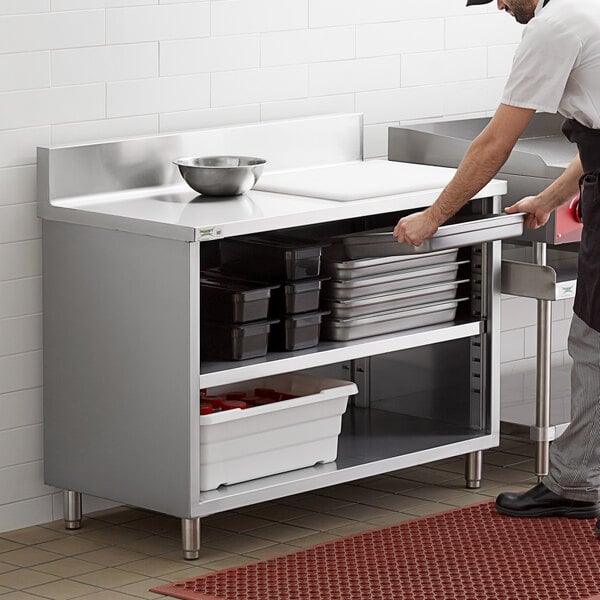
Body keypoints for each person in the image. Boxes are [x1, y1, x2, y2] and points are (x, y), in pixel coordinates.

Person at [394, 0, 600, 529]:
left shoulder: (552, 27)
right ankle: (577, 478)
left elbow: (495, 142)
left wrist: (435, 216)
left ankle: (578, 485)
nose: (502, 5)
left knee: (594, 345)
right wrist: (551, 198)